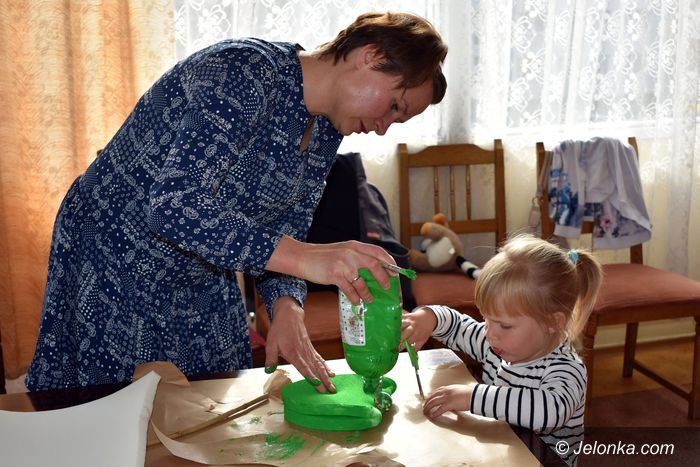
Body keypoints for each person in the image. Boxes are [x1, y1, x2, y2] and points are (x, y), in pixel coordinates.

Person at [26, 11, 447, 392]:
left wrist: (287, 306)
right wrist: (307, 259)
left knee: (213, 404)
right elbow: (174, 206)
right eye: (394, 105)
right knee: (115, 415)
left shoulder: (325, 130)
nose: (383, 128)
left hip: (202, 269)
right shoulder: (244, 72)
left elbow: (286, 227)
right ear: (370, 55)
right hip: (113, 255)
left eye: (398, 119)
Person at [401, 234, 602, 465]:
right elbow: (457, 326)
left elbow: (549, 412)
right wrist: (429, 318)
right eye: (486, 319)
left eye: (504, 325)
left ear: (553, 322)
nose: (489, 333)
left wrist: (472, 397)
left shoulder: (567, 369)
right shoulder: (496, 343)